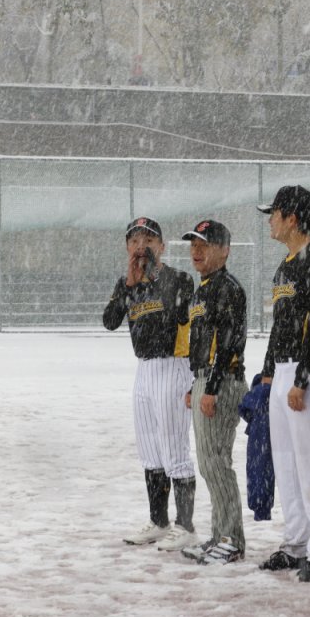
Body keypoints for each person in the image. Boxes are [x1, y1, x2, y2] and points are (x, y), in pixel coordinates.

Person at [256, 185, 310, 583]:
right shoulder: (285, 266)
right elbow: (281, 325)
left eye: (274, 213)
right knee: (286, 461)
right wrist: (269, 370)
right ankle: (296, 541)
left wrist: (303, 378)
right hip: (284, 371)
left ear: (293, 218)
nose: (270, 220)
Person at [102, 217, 198, 552]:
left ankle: (185, 526)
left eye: (148, 241)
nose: (141, 247)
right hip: (144, 370)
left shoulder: (179, 279)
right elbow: (109, 322)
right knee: (150, 451)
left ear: (162, 245)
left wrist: (153, 275)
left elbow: (185, 317)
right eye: (134, 242)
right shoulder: (127, 284)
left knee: (174, 450)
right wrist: (130, 284)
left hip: (173, 365)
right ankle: (159, 521)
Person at [178, 219, 249, 565]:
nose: (196, 251)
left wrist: (214, 387)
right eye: (194, 245)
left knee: (217, 463)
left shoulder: (228, 288)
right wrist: (196, 384)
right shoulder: (202, 288)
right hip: (206, 381)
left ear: (224, 250)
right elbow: (200, 343)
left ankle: (231, 539)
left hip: (223, 381)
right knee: (209, 463)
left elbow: (231, 344)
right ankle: (220, 533)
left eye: (204, 245)